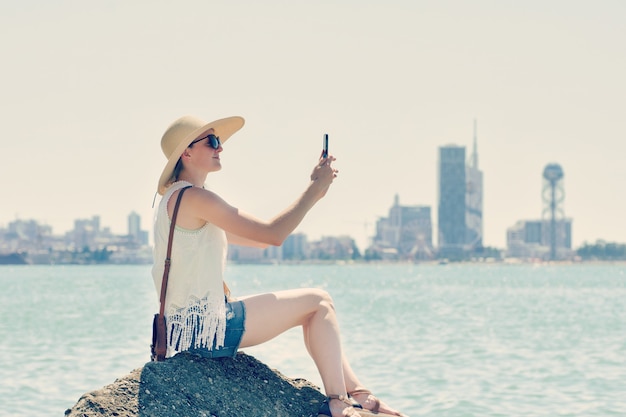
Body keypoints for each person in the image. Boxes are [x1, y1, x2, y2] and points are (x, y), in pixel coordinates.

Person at [152, 115, 407, 417]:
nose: (220, 148)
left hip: (184, 330)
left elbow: (260, 240)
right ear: (187, 153)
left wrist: (316, 190)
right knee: (319, 303)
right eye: (212, 141)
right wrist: (314, 190)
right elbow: (273, 235)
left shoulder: (176, 200)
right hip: (208, 329)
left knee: (316, 307)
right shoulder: (195, 198)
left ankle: (359, 394)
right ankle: (340, 402)